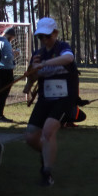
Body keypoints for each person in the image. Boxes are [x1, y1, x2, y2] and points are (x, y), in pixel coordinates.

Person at [23, 17, 78, 186]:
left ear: (55, 33)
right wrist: (32, 70)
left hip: (64, 99)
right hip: (45, 99)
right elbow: (33, 77)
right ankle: (48, 152)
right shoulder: (37, 55)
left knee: (48, 131)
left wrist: (46, 63)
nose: (44, 40)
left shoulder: (62, 47)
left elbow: (68, 59)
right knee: (31, 136)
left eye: (47, 36)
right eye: (41, 37)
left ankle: (46, 173)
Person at [0, 26, 18, 123]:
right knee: (3, 92)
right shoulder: (6, 43)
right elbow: (7, 57)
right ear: (10, 36)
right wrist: (14, 54)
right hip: (5, 70)